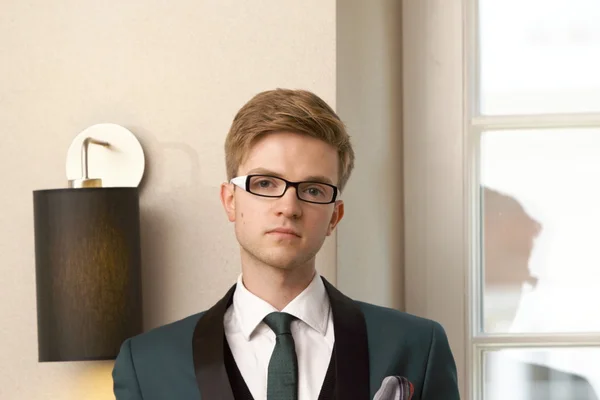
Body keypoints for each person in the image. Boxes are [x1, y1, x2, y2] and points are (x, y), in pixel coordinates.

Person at [112, 89, 459, 400]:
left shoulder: (416, 346)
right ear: (230, 200)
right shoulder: (146, 365)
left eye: (312, 190)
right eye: (264, 183)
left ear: (334, 216)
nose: (289, 208)